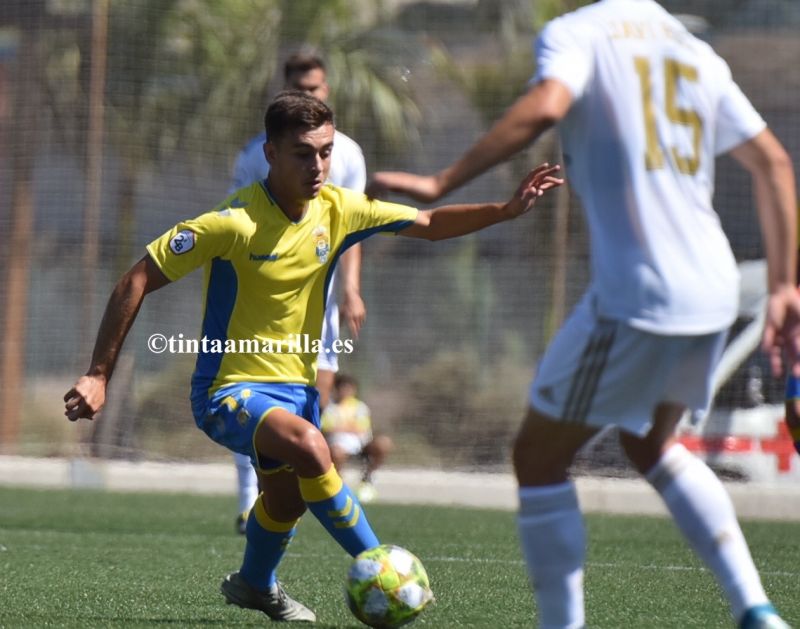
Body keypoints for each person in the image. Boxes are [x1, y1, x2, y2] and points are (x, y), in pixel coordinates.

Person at [370, 1, 800, 627]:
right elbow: (775, 163)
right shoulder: (693, 48)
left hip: (640, 295)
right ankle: (755, 608)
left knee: (538, 459)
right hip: (714, 288)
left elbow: (548, 104)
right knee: (650, 443)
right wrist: (783, 285)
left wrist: (443, 181)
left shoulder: (578, 33)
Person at [64, 90, 562, 622]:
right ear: (271, 153)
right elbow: (136, 279)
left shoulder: (339, 209)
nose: (318, 166)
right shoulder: (233, 222)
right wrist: (99, 375)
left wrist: (506, 211)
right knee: (309, 445)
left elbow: (430, 224)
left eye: (325, 152)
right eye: (303, 153)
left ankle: (255, 584)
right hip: (227, 391)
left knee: (286, 500)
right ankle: (381, 563)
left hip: (296, 392)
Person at [229, 52, 368, 535]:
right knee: (255, 403)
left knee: (311, 407)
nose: (310, 95)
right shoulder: (255, 154)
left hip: (319, 304)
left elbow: (353, 227)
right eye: (300, 88)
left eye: (316, 88)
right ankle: (250, 502)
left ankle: (283, 503)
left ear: (327, 89)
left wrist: (350, 288)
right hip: (263, 304)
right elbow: (237, 224)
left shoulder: (347, 154)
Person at [321, 373, 390, 503]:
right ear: (336, 389)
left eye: (349, 388)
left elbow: (362, 428)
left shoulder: (360, 407)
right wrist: (350, 427)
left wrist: (342, 427)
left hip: (360, 446)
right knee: (337, 452)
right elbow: (328, 428)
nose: (346, 391)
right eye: (343, 387)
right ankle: (338, 486)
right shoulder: (330, 408)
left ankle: (368, 478)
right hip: (337, 446)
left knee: (383, 443)